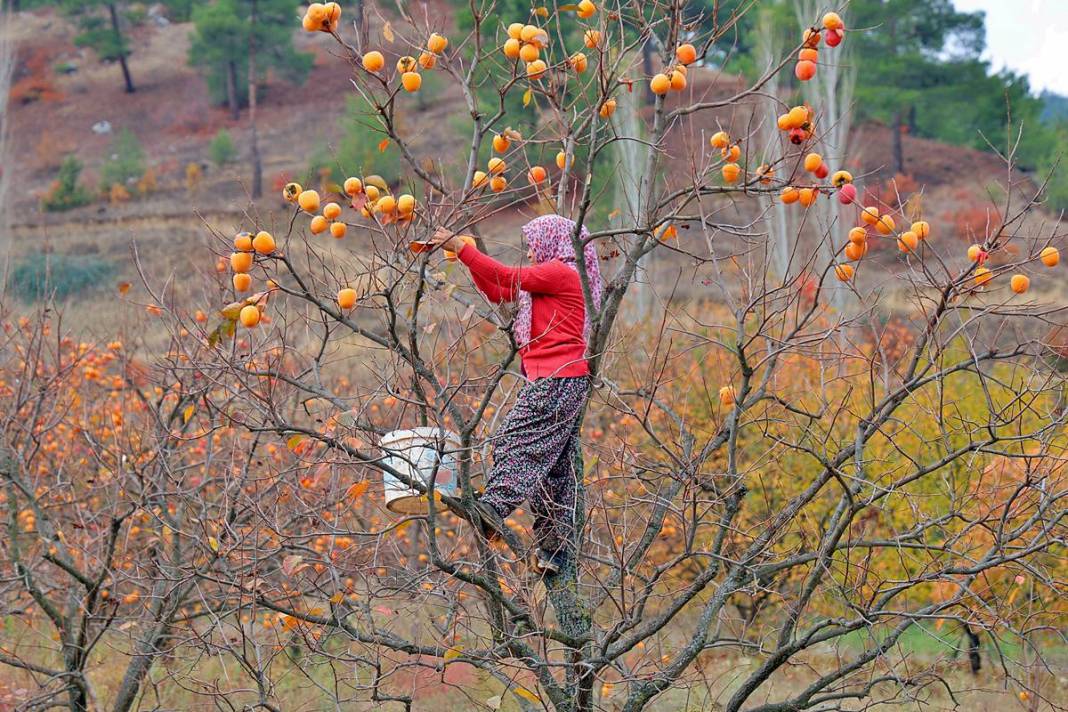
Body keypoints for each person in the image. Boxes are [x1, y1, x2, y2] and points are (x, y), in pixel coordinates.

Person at [429, 215, 602, 575]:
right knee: (554, 471)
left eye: (533, 243)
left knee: (511, 439)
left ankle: (494, 507)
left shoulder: (561, 272)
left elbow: (507, 277)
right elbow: (498, 291)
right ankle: (555, 552)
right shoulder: (548, 278)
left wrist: (462, 249)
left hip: (557, 378)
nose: (529, 251)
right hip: (558, 378)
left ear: (553, 241)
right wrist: (469, 257)